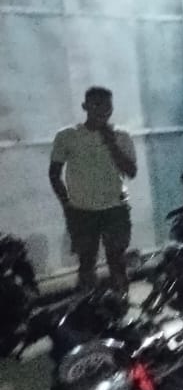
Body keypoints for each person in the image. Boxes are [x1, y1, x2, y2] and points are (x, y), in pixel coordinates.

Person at [49, 87, 137, 291]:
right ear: (85, 106)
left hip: (115, 209)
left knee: (117, 261)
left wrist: (111, 144)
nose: (103, 110)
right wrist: (66, 204)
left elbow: (131, 171)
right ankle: (88, 302)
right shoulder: (67, 136)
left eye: (107, 106)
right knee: (87, 262)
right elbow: (54, 174)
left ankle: (120, 301)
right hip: (82, 211)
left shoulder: (122, 136)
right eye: (97, 104)